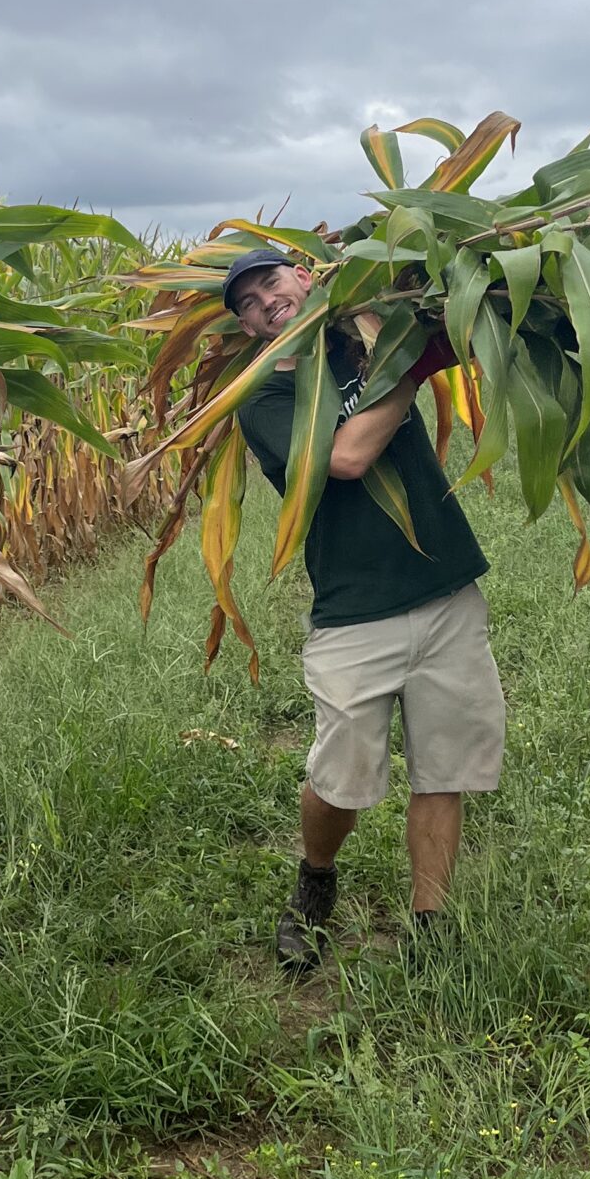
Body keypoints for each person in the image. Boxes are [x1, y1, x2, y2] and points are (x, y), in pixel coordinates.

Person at [225, 245, 505, 968]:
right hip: (354, 610)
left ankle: (430, 924)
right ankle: (316, 880)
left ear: (305, 275)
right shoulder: (268, 399)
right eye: (249, 305)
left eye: (270, 284)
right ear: (250, 329)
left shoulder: (374, 334)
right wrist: (409, 369)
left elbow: (467, 318)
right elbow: (345, 458)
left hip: (445, 587)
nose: (265, 304)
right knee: (339, 779)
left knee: (445, 769)